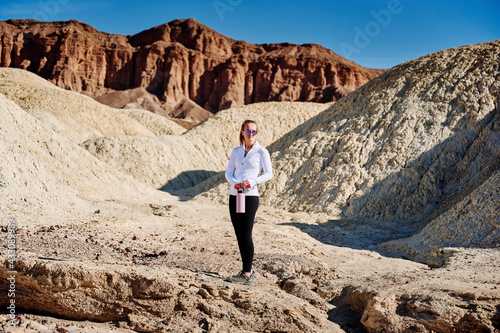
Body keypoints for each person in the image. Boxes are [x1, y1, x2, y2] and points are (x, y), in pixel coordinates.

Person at [225, 120, 273, 285]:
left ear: (257, 134)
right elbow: (228, 172)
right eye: (248, 131)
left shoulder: (262, 152)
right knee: (239, 234)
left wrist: (252, 182)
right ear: (242, 133)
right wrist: (234, 182)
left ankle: (247, 274)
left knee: (246, 234)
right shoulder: (236, 151)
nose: (251, 134)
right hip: (235, 195)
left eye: (254, 132)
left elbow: (269, 174)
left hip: (250, 196)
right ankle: (244, 271)